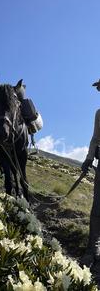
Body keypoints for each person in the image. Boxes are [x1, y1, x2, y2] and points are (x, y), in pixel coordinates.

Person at [81, 79, 100, 284]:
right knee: (97, 209)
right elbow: (96, 138)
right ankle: (92, 249)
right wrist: (88, 158)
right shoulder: (99, 114)